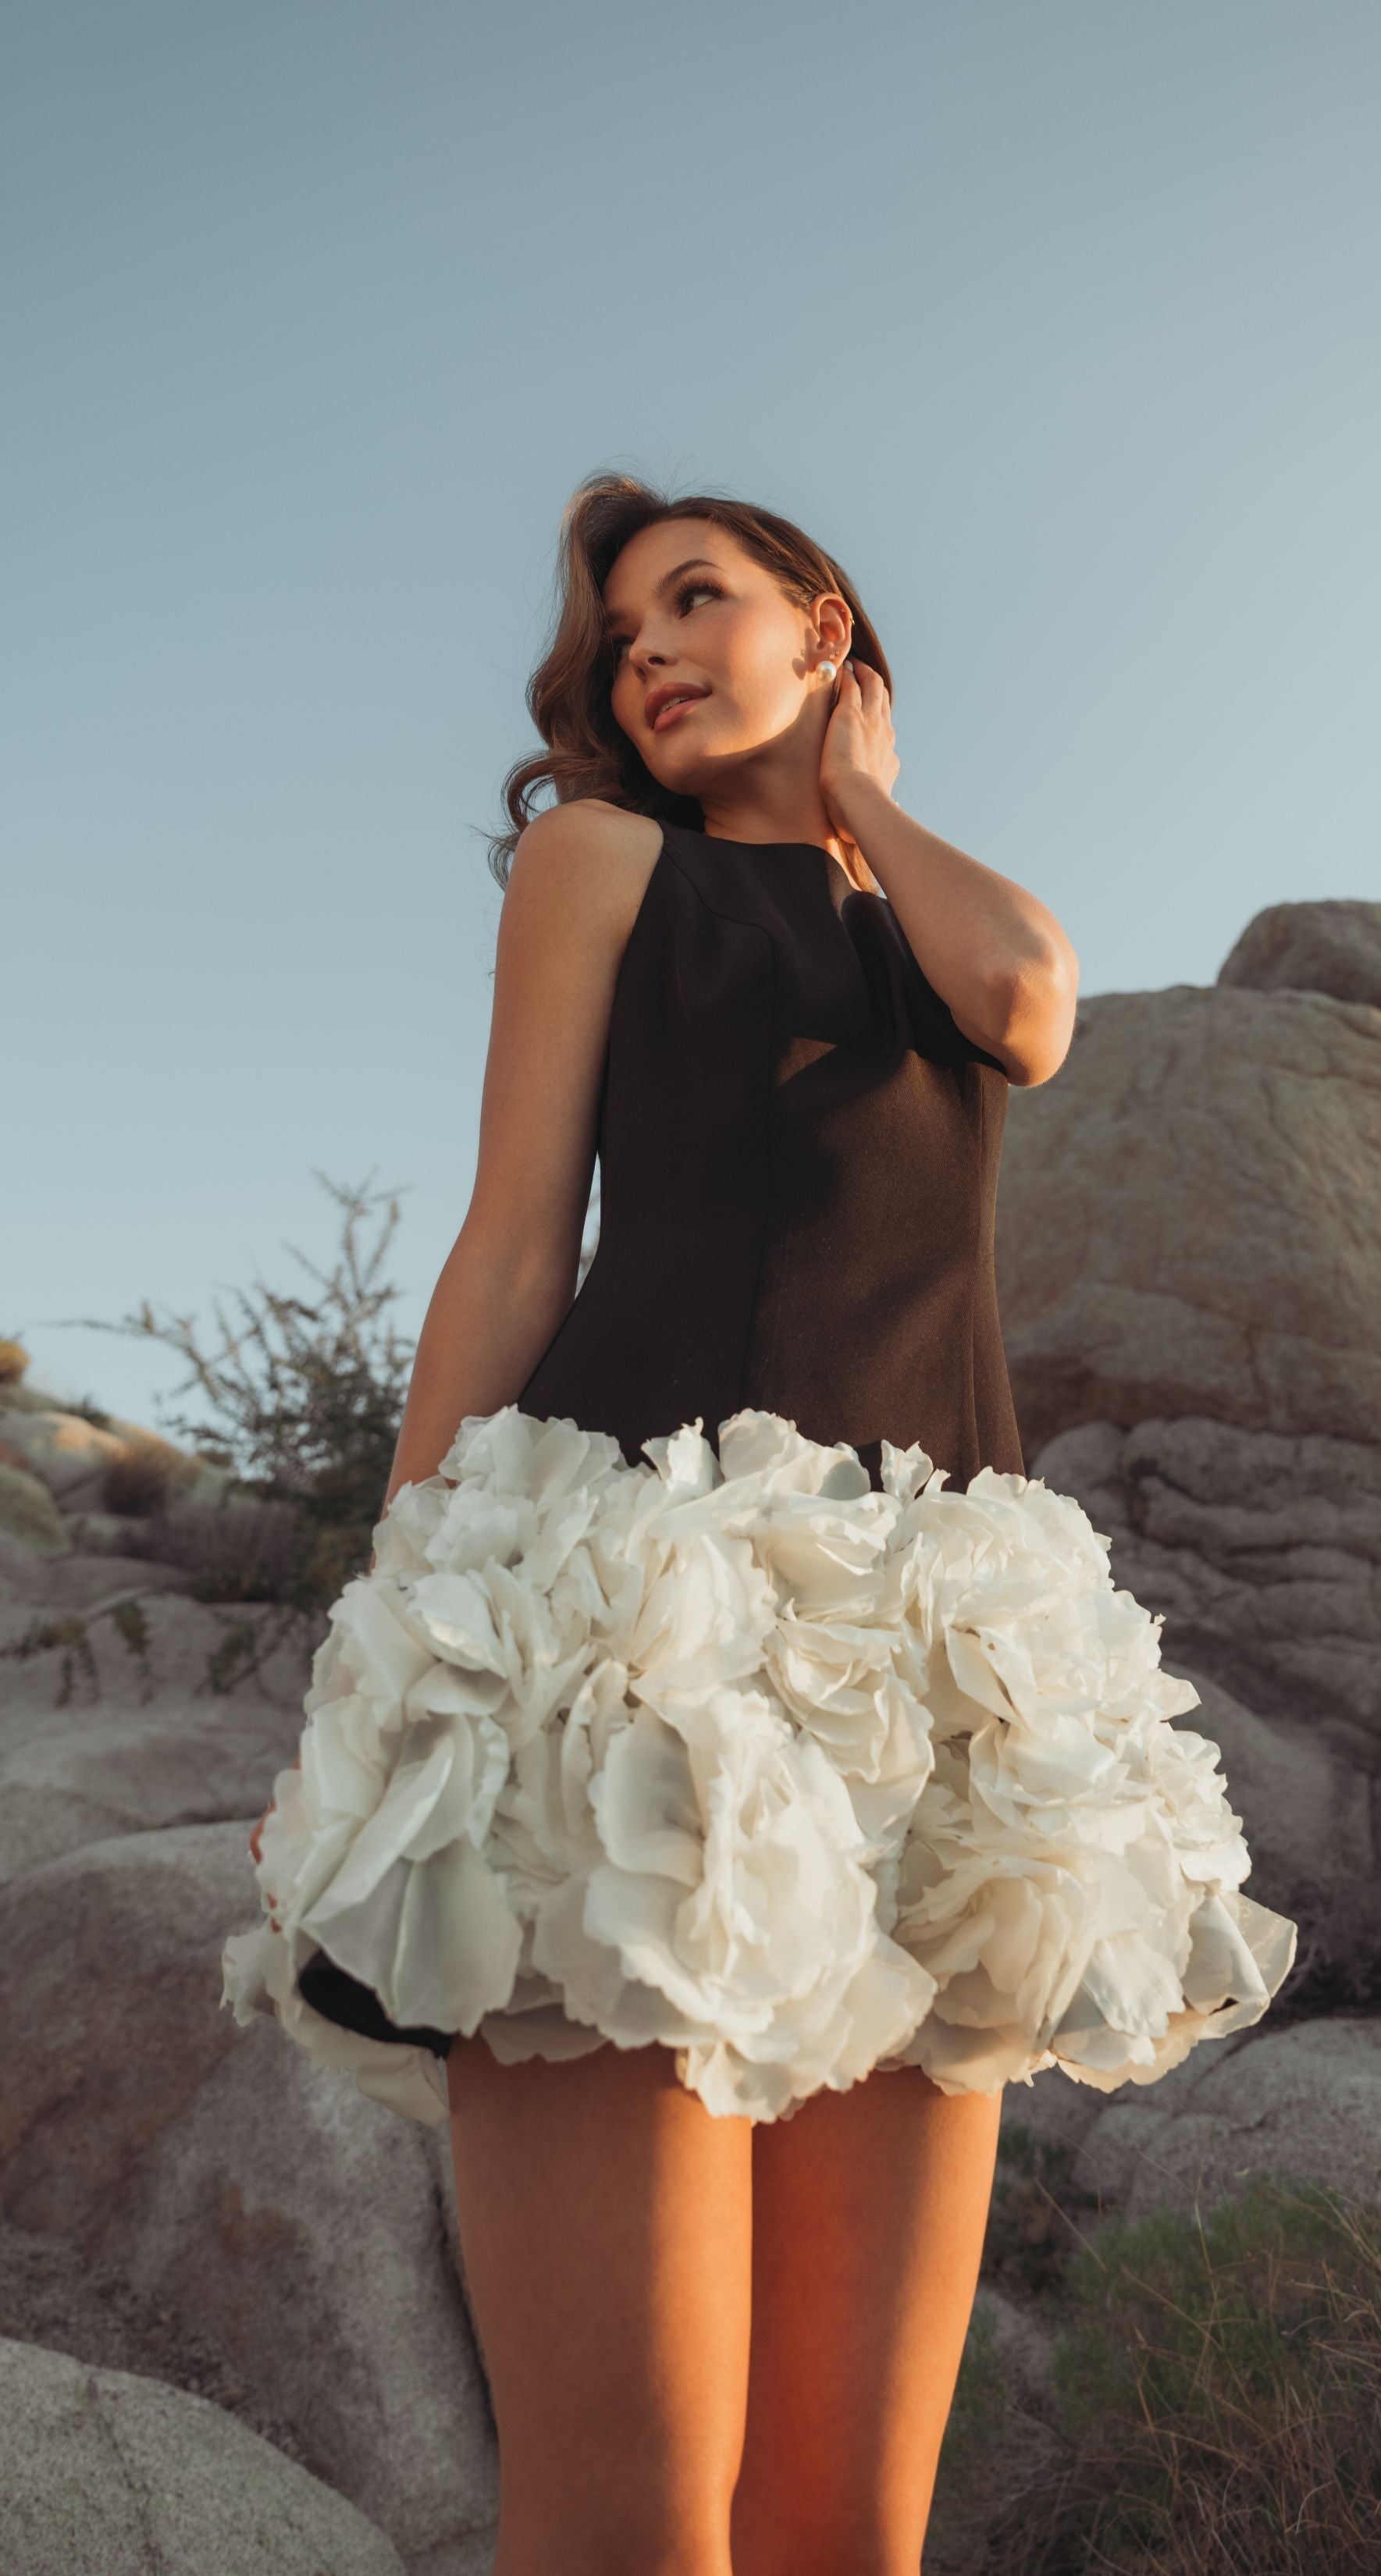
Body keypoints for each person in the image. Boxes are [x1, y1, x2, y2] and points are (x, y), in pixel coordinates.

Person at [224, 473, 1297, 2576]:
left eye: (698, 600)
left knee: (846, 2533)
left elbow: (1039, 1001)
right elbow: (517, 1240)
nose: (647, 649)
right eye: (624, 632)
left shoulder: (926, 922)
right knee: (629, 2526)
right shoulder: (598, 858)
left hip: (929, 1685)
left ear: (824, 630)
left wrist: (859, 794)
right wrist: (391, 1622)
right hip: (639, 1655)